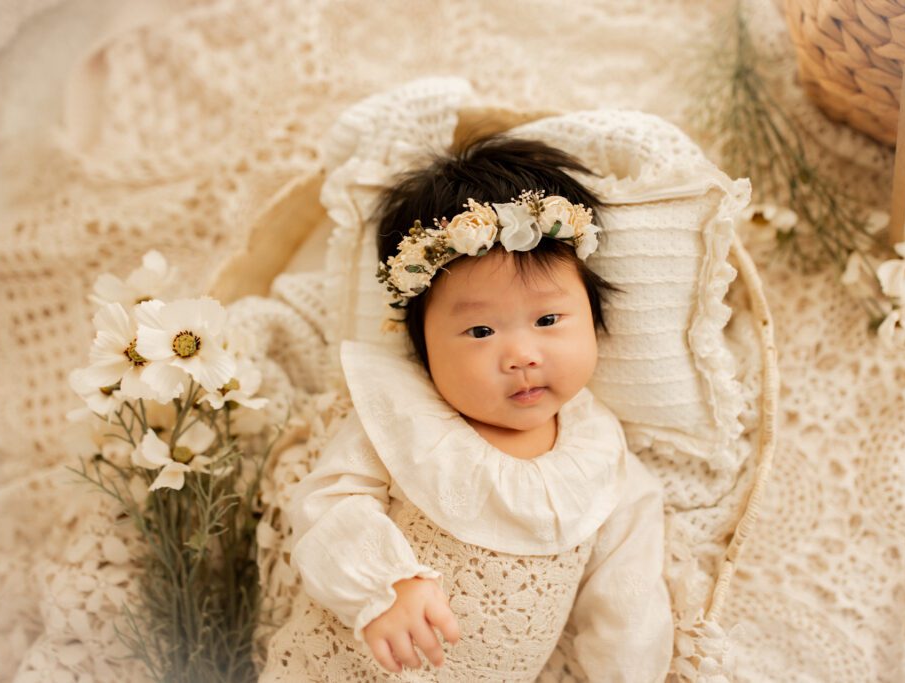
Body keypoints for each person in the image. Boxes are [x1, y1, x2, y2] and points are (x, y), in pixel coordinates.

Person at [260, 134, 673, 681]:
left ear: (596, 322)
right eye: (480, 331)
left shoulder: (609, 466)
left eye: (548, 321)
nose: (521, 356)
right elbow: (324, 505)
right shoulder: (403, 418)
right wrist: (385, 584)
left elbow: (631, 607)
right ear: (425, 349)